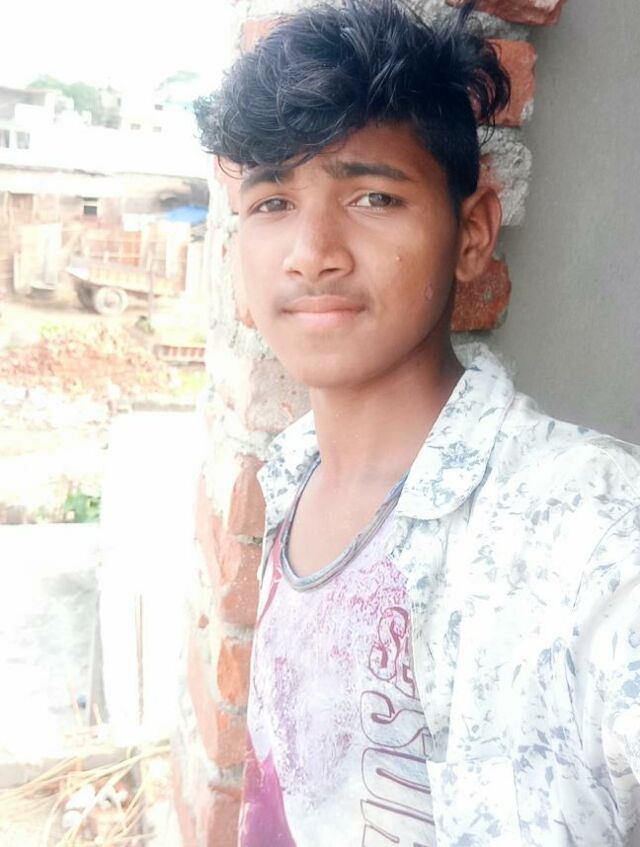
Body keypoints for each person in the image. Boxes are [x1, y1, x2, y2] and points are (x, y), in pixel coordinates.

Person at [195, 1, 640, 844]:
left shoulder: (592, 531)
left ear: (471, 234)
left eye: (373, 196)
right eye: (272, 202)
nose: (312, 252)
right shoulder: (291, 475)